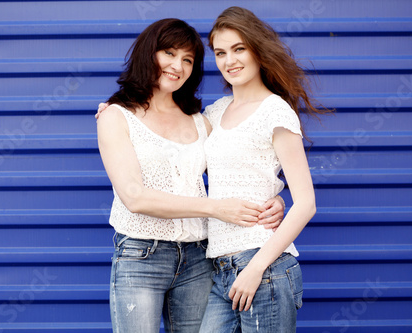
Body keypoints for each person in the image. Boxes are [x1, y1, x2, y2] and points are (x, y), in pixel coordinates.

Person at [96, 18, 286, 333]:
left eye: (188, 59)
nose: (178, 65)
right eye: (168, 53)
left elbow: (242, 169)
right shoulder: (116, 116)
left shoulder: (201, 122)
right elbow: (134, 196)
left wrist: (273, 199)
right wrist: (214, 208)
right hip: (141, 255)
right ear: (148, 54)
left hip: (198, 257)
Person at [198, 6, 329, 333]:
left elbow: (307, 204)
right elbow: (170, 137)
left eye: (239, 48)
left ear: (257, 49)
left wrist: (256, 268)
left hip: (264, 266)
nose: (230, 60)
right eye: (220, 52)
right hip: (221, 268)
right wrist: (123, 110)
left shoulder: (275, 111)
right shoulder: (215, 111)